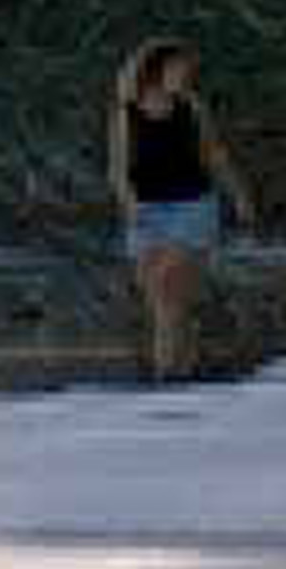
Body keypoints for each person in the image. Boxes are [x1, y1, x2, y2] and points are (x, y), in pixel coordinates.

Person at [112, 37, 254, 381]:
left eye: (186, 69)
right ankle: (182, 369)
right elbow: (118, 166)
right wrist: (129, 203)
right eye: (178, 68)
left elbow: (214, 155)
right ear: (155, 71)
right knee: (165, 303)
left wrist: (239, 196)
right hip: (147, 211)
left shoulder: (191, 108)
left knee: (167, 286)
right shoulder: (126, 113)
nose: (185, 74)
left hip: (192, 207)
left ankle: (166, 373)